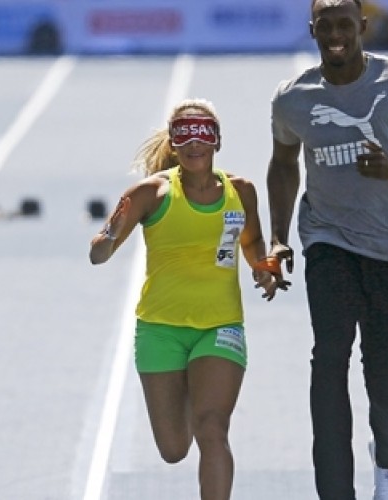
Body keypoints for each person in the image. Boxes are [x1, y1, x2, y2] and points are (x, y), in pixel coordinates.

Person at [265, 1, 388, 498]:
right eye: (325, 26)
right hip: (327, 240)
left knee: (385, 381)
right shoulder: (293, 99)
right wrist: (278, 236)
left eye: (344, 25)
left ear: (362, 28)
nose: (335, 35)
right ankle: (335, 490)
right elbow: (284, 165)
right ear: (313, 30)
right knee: (329, 358)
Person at [88, 98, 285, 500]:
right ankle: (193, 382)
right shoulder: (151, 193)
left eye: (203, 134)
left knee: (212, 428)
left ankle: (205, 384)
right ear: (174, 144)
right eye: (185, 136)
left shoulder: (241, 191)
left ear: (217, 141)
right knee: (174, 449)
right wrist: (107, 237)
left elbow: (251, 244)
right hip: (161, 330)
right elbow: (98, 253)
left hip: (220, 325)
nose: (195, 144)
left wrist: (263, 269)